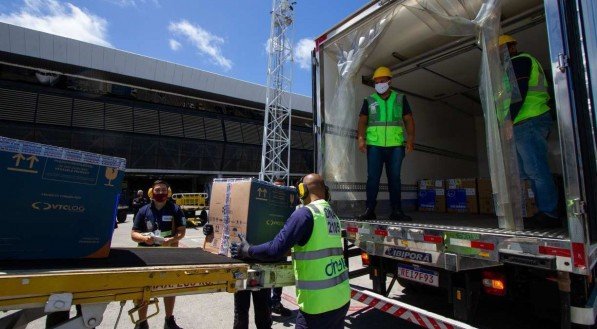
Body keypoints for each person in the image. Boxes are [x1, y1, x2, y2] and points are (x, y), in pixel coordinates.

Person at [231, 174, 350, 329]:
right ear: (325, 192)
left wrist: (248, 250)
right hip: (340, 298)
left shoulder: (305, 214)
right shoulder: (332, 215)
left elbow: (275, 250)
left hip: (318, 305)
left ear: (302, 190)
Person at [499, 35, 560, 229]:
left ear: (512, 47)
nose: (500, 54)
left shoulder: (519, 61)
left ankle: (550, 213)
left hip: (528, 120)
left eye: (502, 48)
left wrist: (508, 119)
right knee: (532, 170)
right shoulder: (518, 63)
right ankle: (546, 211)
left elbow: (519, 92)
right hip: (527, 121)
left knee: (535, 169)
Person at [357, 66, 416, 221]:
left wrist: (410, 139)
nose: (379, 84)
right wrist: (361, 138)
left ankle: (396, 211)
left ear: (389, 81)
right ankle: (370, 210)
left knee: (395, 179)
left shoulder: (400, 98)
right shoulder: (369, 100)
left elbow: (408, 119)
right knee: (373, 178)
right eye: (376, 81)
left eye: (382, 81)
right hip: (375, 145)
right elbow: (362, 121)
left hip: (395, 145)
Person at [131, 180, 186, 329]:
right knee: (143, 289)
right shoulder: (143, 210)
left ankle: (169, 320)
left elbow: (181, 231)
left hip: (168, 253)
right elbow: (133, 233)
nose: (160, 193)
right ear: (151, 192)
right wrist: (143, 238)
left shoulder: (175, 209)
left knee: (170, 287)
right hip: (146, 254)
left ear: (168, 193)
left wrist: (173, 239)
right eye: (157, 190)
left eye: (163, 190)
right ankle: (142, 322)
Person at [203, 222, 273, 329]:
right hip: (241, 262)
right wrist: (211, 230)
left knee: (263, 310)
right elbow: (223, 221)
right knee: (241, 311)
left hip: (261, 261)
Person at [271, 178, 293, 317]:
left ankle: (276, 303)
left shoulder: (287, 204)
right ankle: (269, 305)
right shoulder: (267, 203)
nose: (279, 189)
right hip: (269, 244)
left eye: (282, 187)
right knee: (267, 275)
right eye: (277, 187)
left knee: (279, 277)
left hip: (282, 244)